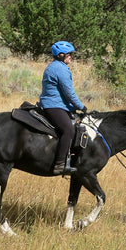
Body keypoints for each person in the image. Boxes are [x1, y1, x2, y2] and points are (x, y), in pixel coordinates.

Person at [40, 41, 87, 175]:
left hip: (55, 104)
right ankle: (60, 164)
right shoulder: (60, 69)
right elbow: (69, 93)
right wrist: (81, 107)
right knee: (68, 129)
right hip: (54, 106)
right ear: (61, 55)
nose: (71, 56)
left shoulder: (54, 66)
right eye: (69, 54)